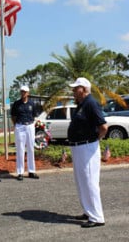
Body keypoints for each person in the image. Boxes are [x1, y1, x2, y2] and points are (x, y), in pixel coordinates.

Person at [67, 77, 108, 228]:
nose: (73, 91)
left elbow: (103, 127)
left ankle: (97, 217)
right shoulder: (81, 104)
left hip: (87, 147)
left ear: (83, 89)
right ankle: (88, 211)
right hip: (79, 147)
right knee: (82, 181)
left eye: (75, 88)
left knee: (90, 181)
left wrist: (93, 140)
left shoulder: (91, 103)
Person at [11, 85, 39, 181]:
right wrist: (17, 125)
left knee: (31, 148)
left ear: (28, 93)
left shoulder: (32, 104)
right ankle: (20, 172)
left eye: (25, 92)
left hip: (30, 126)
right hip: (20, 126)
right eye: (22, 91)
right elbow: (13, 116)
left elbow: (34, 115)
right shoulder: (16, 104)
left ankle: (31, 171)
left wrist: (31, 125)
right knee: (20, 149)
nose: (23, 93)